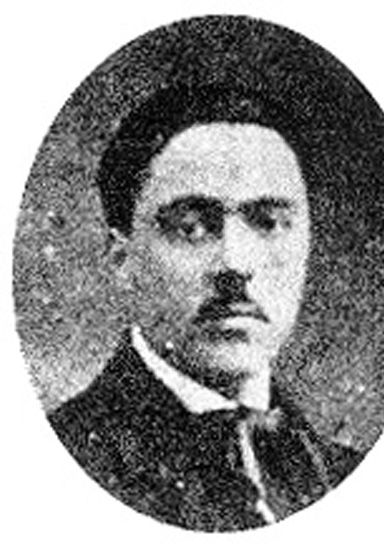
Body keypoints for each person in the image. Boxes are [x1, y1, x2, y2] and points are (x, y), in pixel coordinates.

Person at [48, 85, 363, 531]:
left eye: (271, 223)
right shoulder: (59, 466)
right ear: (122, 259)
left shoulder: (349, 478)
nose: (234, 263)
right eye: (191, 228)